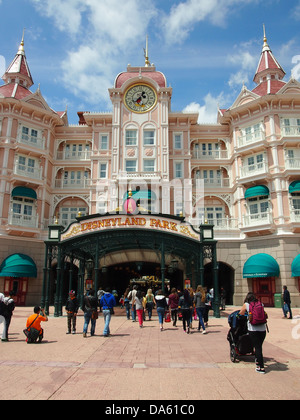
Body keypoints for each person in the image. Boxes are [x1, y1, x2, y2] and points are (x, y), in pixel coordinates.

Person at [239, 292, 267, 374]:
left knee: (257, 347)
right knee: (259, 346)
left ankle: (261, 367)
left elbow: (240, 314)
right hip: (263, 329)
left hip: (253, 329)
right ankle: (258, 359)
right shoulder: (260, 304)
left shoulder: (246, 305)